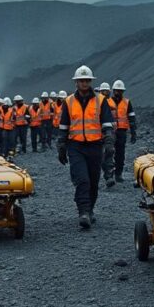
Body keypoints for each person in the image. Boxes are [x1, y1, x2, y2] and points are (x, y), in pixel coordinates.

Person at [58, 66, 116, 229]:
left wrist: (109, 142)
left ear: (91, 82)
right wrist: (61, 145)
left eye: (87, 80)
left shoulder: (101, 100)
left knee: (93, 181)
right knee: (82, 180)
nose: (84, 83)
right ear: (76, 82)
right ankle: (83, 212)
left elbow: (106, 123)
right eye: (81, 81)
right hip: (75, 146)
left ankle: (90, 210)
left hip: (95, 146)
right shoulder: (68, 102)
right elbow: (64, 125)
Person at [110, 80, 137, 183]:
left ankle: (118, 173)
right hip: (110, 131)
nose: (118, 93)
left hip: (122, 131)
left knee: (120, 153)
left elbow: (131, 117)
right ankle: (109, 173)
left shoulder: (126, 102)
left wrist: (133, 132)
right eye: (117, 90)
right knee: (109, 152)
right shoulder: (107, 102)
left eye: (120, 91)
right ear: (113, 91)